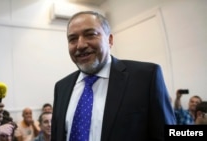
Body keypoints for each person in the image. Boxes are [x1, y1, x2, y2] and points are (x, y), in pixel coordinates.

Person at [51, 11, 176, 141]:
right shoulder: (61, 87)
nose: (80, 45)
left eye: (90, 35)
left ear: (109, 40)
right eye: (73, 39)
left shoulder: (146, 77)